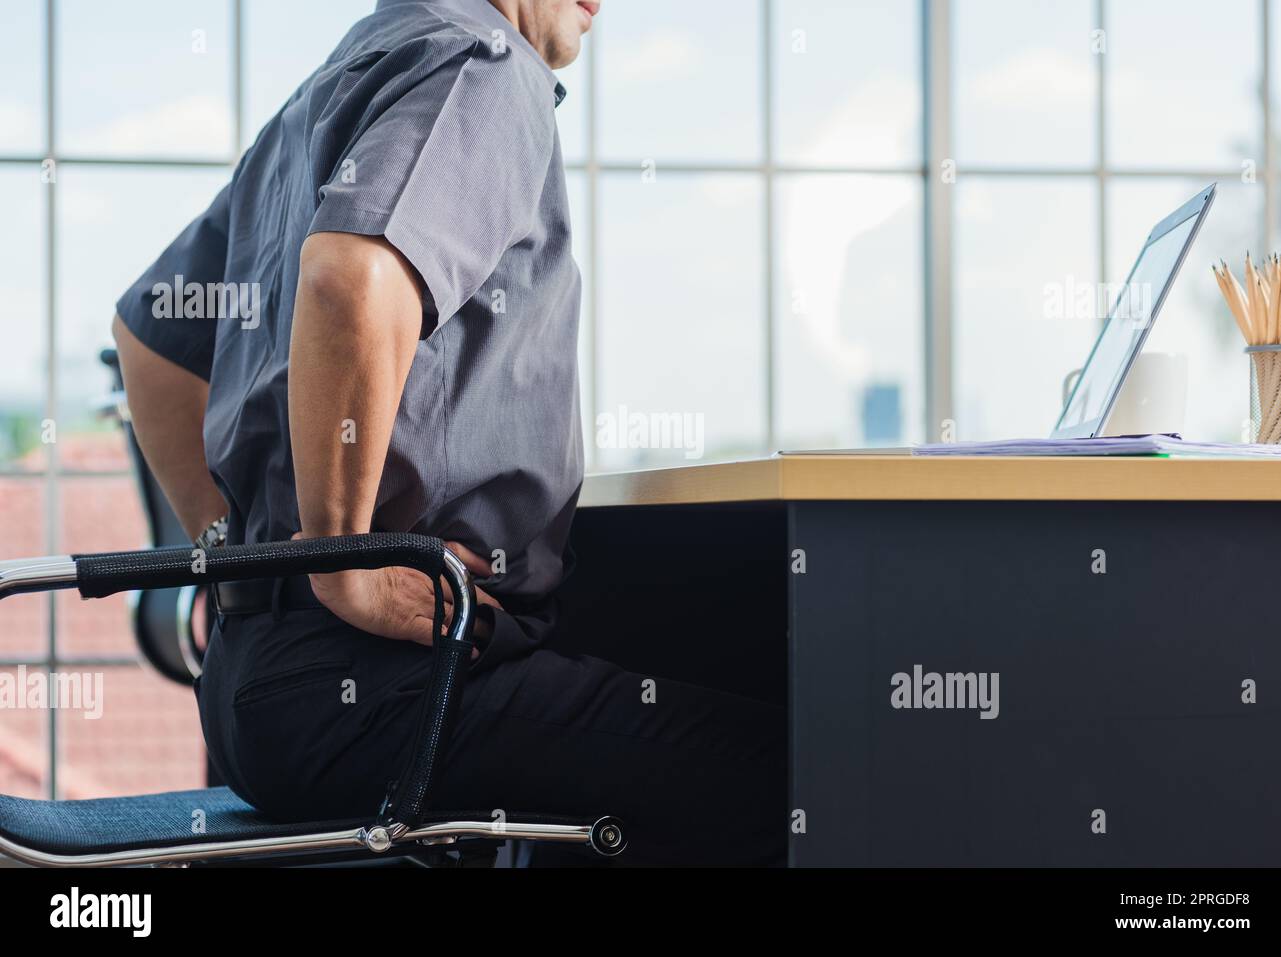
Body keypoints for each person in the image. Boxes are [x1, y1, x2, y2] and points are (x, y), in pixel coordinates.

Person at [111, 0, 784, 866]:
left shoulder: (334, 84)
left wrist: (249, 556)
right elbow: (349, 280)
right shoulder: (485, 63)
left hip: (256, 688)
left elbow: (150, 337)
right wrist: (339, 563)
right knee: (807, 777)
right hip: (383, 692)